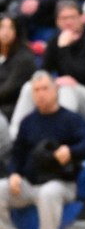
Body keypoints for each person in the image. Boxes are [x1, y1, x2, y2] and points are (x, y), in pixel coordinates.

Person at [0, 70, 85, 229]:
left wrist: (71, 150)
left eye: (45, 88)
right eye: (36, 90)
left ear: (56, 90)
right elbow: (17, 154)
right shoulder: (28, 122)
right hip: (29, 184)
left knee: (48, 193)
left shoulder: (71, 120)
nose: (40, 94)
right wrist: (15, 174)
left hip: (61, 183)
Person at [10, 0, 85, 136]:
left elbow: (77, 76)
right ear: (57, 22)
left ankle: (56, 143)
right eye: (64, 18)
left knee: (67, 90)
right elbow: (43, 72)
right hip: (74, 99)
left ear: (81, 18)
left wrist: (63, 48)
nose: (68, 22)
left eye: (72, 17)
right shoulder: (54, 41)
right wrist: (47, 82)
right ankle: (14, 139)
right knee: (30, 86)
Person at [0, 15, 37, 158]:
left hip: (16, 110)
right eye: (2, 27)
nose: (5, 32)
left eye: (10, 27)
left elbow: (8, 90)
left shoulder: (24, 58)